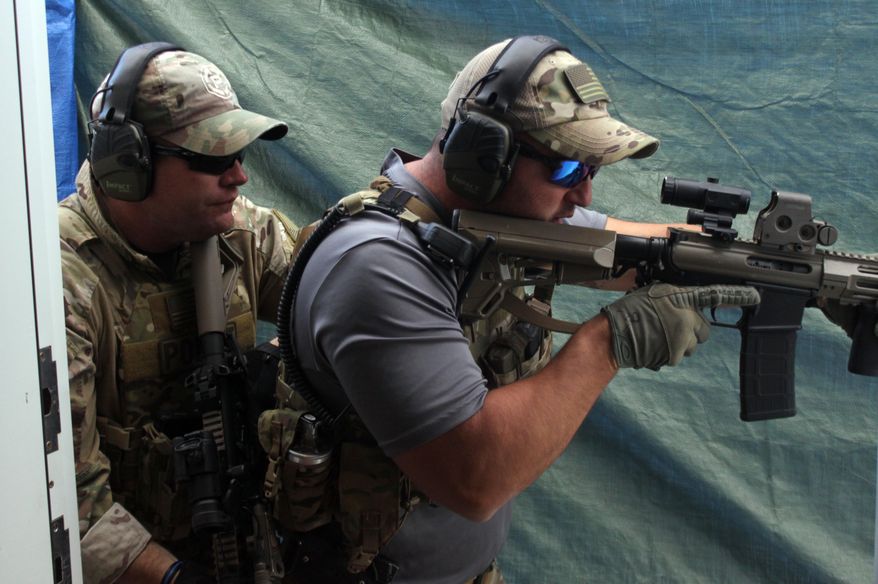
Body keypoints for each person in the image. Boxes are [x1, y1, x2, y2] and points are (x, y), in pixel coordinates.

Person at [275, 36, 760, 584]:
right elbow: (475, 479)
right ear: (482, 156)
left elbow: (648, 250)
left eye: (592, 170)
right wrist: (608, 343)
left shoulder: (501, 220)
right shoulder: (377, 266)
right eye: (567, 169)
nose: (585, 196)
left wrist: (797, 275)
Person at [60, 43, 296, 583]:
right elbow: (71, 506)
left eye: (241, 153)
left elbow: (334, 292)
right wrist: (175, 578)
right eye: (213, 158)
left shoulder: (240, 231)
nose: (239, 177)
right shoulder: (61, 284)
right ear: (130, 163)